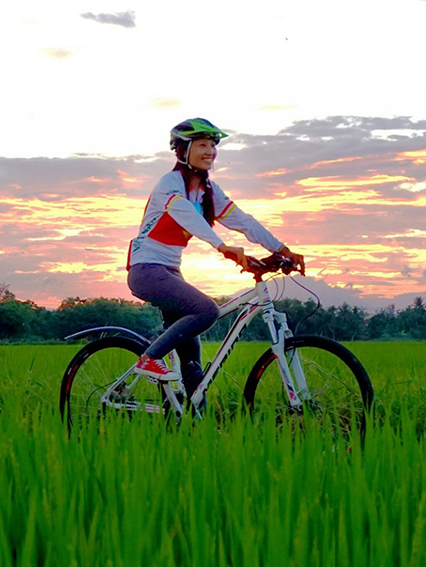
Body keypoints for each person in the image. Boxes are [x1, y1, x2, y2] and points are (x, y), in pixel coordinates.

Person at [127, 117, 305, 396]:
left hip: (171, 271)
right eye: (202, 145)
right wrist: (222, 247)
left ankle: (192, 419)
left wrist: (281, 249)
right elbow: (187, 216)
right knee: (206, 310)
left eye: (213, 145)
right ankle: (149, 358)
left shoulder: (208, 191)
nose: (210, 151)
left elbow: (243, 220)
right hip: (147, 270)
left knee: (192, 357)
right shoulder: (170, 184)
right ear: (183, 150)